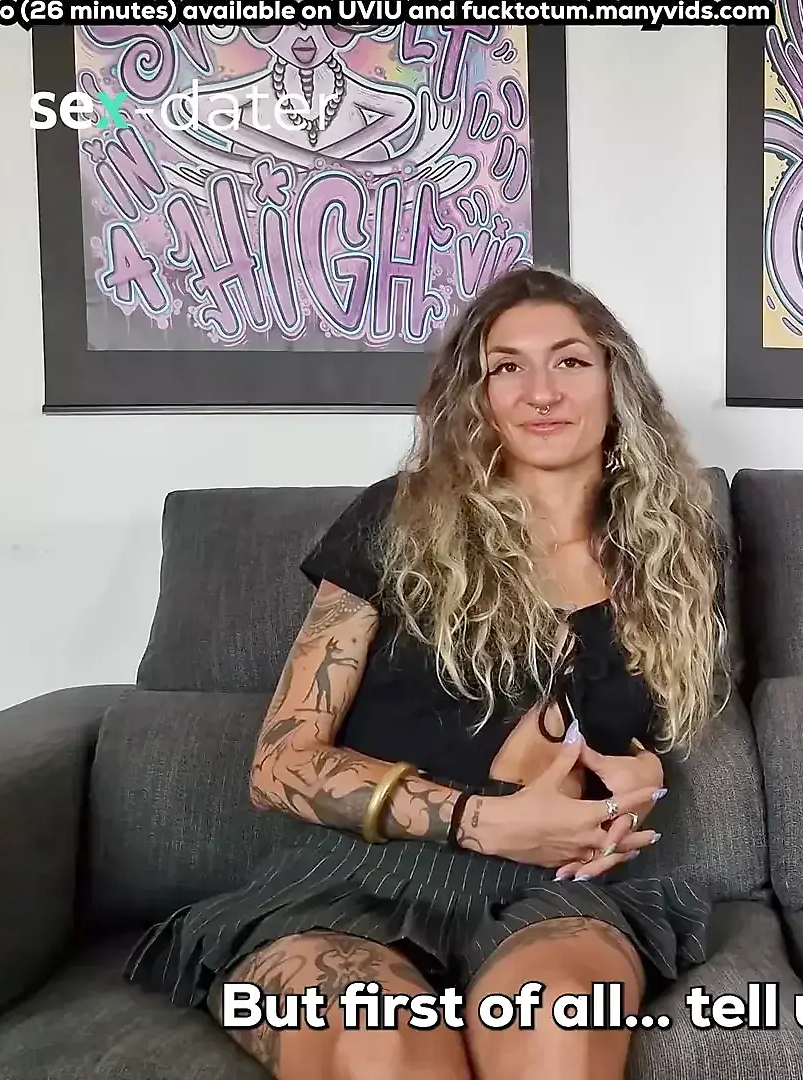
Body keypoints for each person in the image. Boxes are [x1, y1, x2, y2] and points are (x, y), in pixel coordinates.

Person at [125, 266, 728, 1080]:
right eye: (507, 367)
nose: (541, 392)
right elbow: (279, 765)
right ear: (477, 396)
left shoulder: (669, 557)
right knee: (381, 1043)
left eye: (570, 361)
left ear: (616, 382)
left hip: (547, 892)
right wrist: (480, 821)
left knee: (555, 1028)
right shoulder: (396, 520)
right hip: (352, 879)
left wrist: (638, 785)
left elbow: (622, 749)